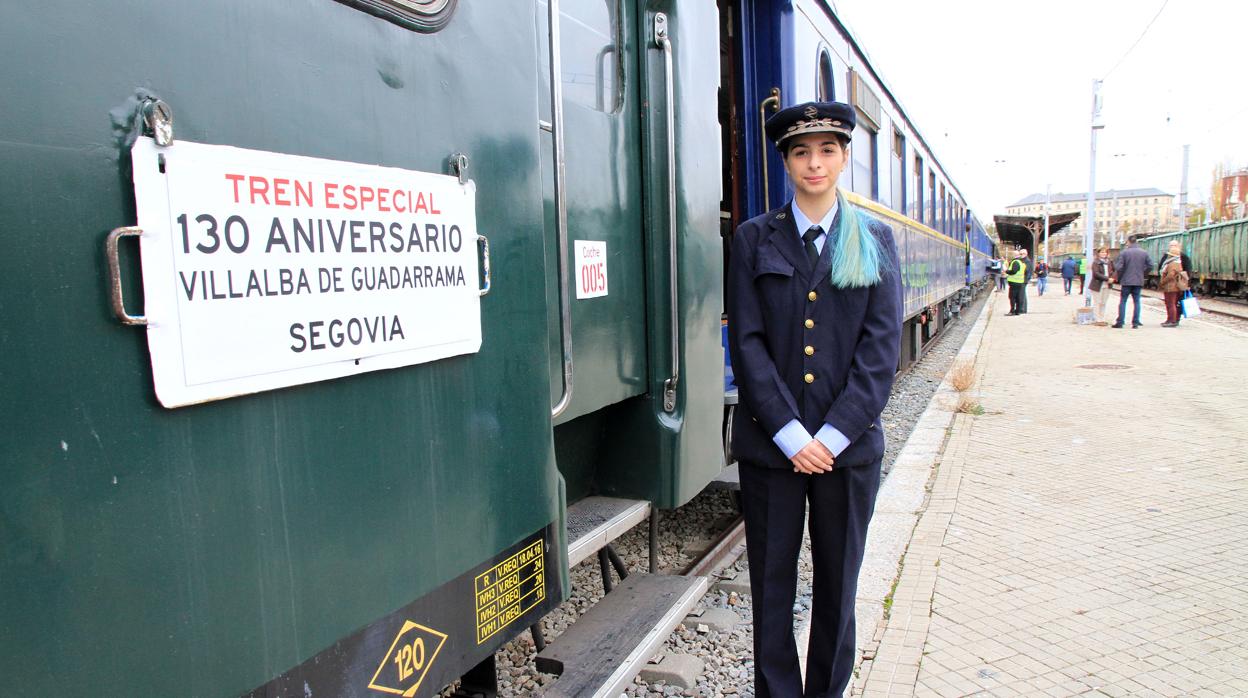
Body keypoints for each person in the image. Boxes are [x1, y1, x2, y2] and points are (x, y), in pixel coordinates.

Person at [727, 100, 902, 698]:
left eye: (828, 149)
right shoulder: (752, 239)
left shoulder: (875, 240)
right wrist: (791, 435)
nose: (815, 162)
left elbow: (880, 354)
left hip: (846, 455)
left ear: (845, 158)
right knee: (771, 593)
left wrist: (827, 439)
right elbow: (747, 345)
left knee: (838, 591)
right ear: (785, 162)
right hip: (773, 449)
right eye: (801, 151)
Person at [1113, 235, 1153, 329]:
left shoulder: (1124, 253)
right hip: (1138, 280)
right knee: (1137, 301)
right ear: (1136, 242)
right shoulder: (1144, 253)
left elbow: (1118, 267)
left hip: (1126, 281)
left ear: (1128, 242)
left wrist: (1121, 275)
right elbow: (1150, 265)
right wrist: (1143, 272)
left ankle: (1120, 322)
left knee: (1123, 301)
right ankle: (1135, 322)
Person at [1157, 240, 1193, 326]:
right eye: (1171, 246)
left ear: (1178, 246)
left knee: (1173, 303)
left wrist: (1185, 283)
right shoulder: (1167, 257)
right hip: (1174, 285)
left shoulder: (1180, 258)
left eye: (1174, 245)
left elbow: (1187, 271)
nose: (1172, 247)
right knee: (1172, 303)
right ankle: (1171, 319)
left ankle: (1174, 320)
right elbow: (1160, 267)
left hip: (1175, 285)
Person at [1088, 247, 1114, 325]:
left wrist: (1112, 278)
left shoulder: (1110, 262)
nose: (1104, 254)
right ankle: (1097, 319)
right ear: (1098, 253)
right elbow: (1096, 274)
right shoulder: (1095, 262)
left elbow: (1115, 270)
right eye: (1102, 252)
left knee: (1104, 302)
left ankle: (1102, 318)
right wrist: (1107, 279)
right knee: (1097, 302)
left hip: (1107, 285)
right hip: (1097, 285)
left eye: (1105, 252)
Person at [1005, 248, 1027, 315]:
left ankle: (1012, 311)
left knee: (1012, 297)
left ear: (1015, 255)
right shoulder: (1022, 263)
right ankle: (1017, 311)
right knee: (1018, 297)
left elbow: (1014, 271)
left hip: (1014, 283)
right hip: (1020, 282)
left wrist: (1007, 271)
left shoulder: (1015, 262)